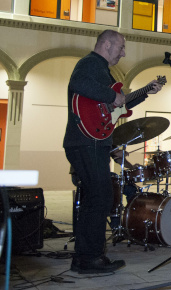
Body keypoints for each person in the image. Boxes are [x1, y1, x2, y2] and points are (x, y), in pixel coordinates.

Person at [64, 30, 163, 274]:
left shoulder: (102, 71)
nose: (123, 52)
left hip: (92, 142)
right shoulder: (90, 63)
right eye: (121, 47)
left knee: (95, 199)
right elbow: (79, 84)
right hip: (86, 140)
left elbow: (118, 105)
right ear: (106, 45)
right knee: (100, 198)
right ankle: (90, 259)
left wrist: (144, 93)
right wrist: (112, 95)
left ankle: (85, 257)